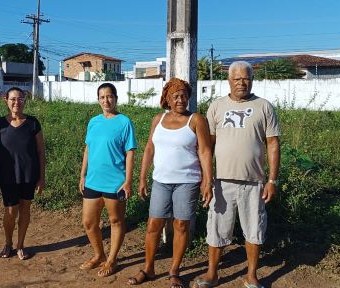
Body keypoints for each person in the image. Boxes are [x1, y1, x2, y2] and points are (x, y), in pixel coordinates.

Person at [194, 61, 280, 288]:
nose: (241, 83)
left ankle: (251, 275)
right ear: (229, 81)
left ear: (252, 80)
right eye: (237, 79)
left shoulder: (264, 107)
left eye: (246, 78)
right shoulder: (216, 107)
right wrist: (206, 177)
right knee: (216, 229)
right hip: (221, 182)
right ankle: (212, 273)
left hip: (254, 182)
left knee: (254, 230)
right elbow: (207, 147)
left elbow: (272, 143)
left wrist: (272, 180)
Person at [128, 78, 213, 288]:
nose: (180, 99)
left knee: (181, 225)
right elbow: (149, 148)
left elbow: (204, 151)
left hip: (187, 182)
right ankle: (148, 268)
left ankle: (174, 271)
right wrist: (141, 178)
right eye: (175, 96)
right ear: (167, 98)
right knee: (153, 225)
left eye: (184, 95)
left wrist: (207, 181)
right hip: (161, 182)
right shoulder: (158, 119)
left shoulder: (196, 120)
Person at [79, 83, 137, 277]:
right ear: (98, 100)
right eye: (102, 97)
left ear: (116, 98)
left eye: (110, 96)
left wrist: (128, 181)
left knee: (115, 221)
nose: (106, 100)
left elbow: (130, 152)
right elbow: (88, 148)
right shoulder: (93, 122)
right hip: (93, 181)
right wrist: (83, 174)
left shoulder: (124, 122)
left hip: (115, 182)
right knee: (88, 222)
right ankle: (99, 254)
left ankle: (112, 259)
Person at [0, 87, 46, 260]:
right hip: (7, 176)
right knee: (11, 211)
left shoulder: (33, 123)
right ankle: (8, 243)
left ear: (24, 101)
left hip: (28, 175)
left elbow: (41, 152)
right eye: (13, 99)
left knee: (25, 209)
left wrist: (41, 178)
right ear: (6, 100)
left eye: (20, 99)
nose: (16, 102)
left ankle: (20, 245)